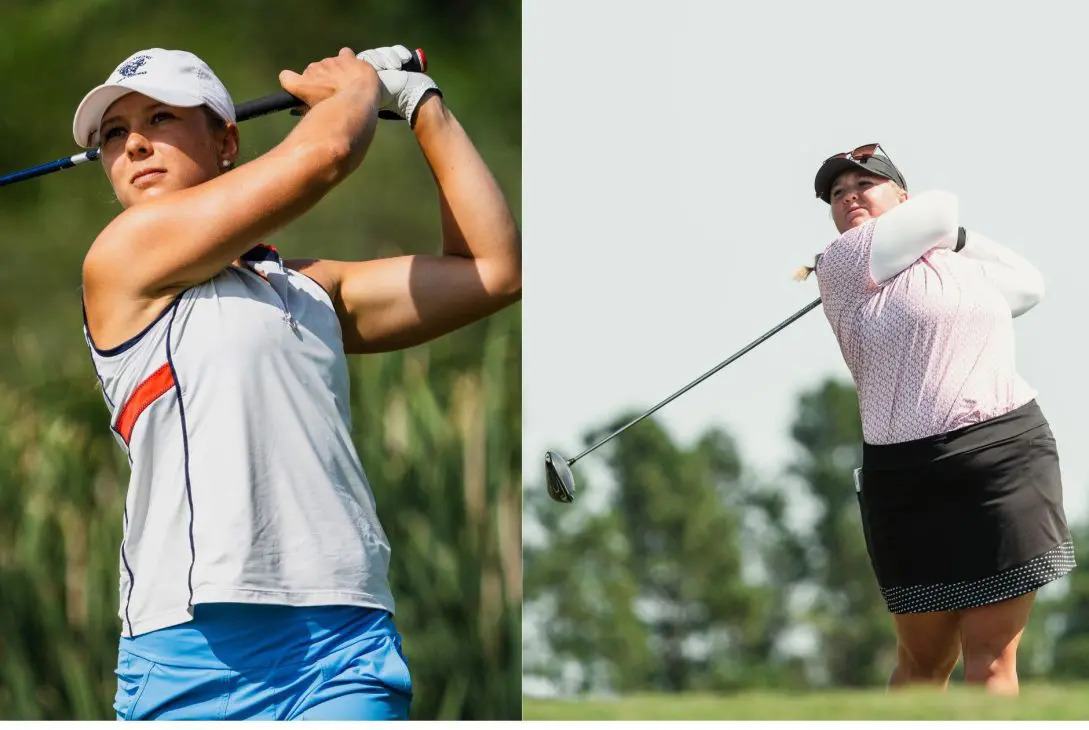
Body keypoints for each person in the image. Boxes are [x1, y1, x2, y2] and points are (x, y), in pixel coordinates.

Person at [73, 44, 521, 720]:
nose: (134, 144)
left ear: (226, 141)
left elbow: (495, 271)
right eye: (114, 133)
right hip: (192, 649)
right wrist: (353, 90)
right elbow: (323, 157)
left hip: (342, 642)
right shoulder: (121, 257)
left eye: (161, 118)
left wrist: (420, 105)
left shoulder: (311, 290)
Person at [804, 143, 1074, 695]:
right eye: (838, 193)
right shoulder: (843, 261)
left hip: (1005, 456)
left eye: (865, 185)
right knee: (922, 666)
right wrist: (941, 234)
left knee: (993, 660)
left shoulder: (955, 268)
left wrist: (952, 245)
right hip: (907, 476)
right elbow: (942, 209)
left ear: (901, 197)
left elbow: (1029, 284)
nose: (850, 196)